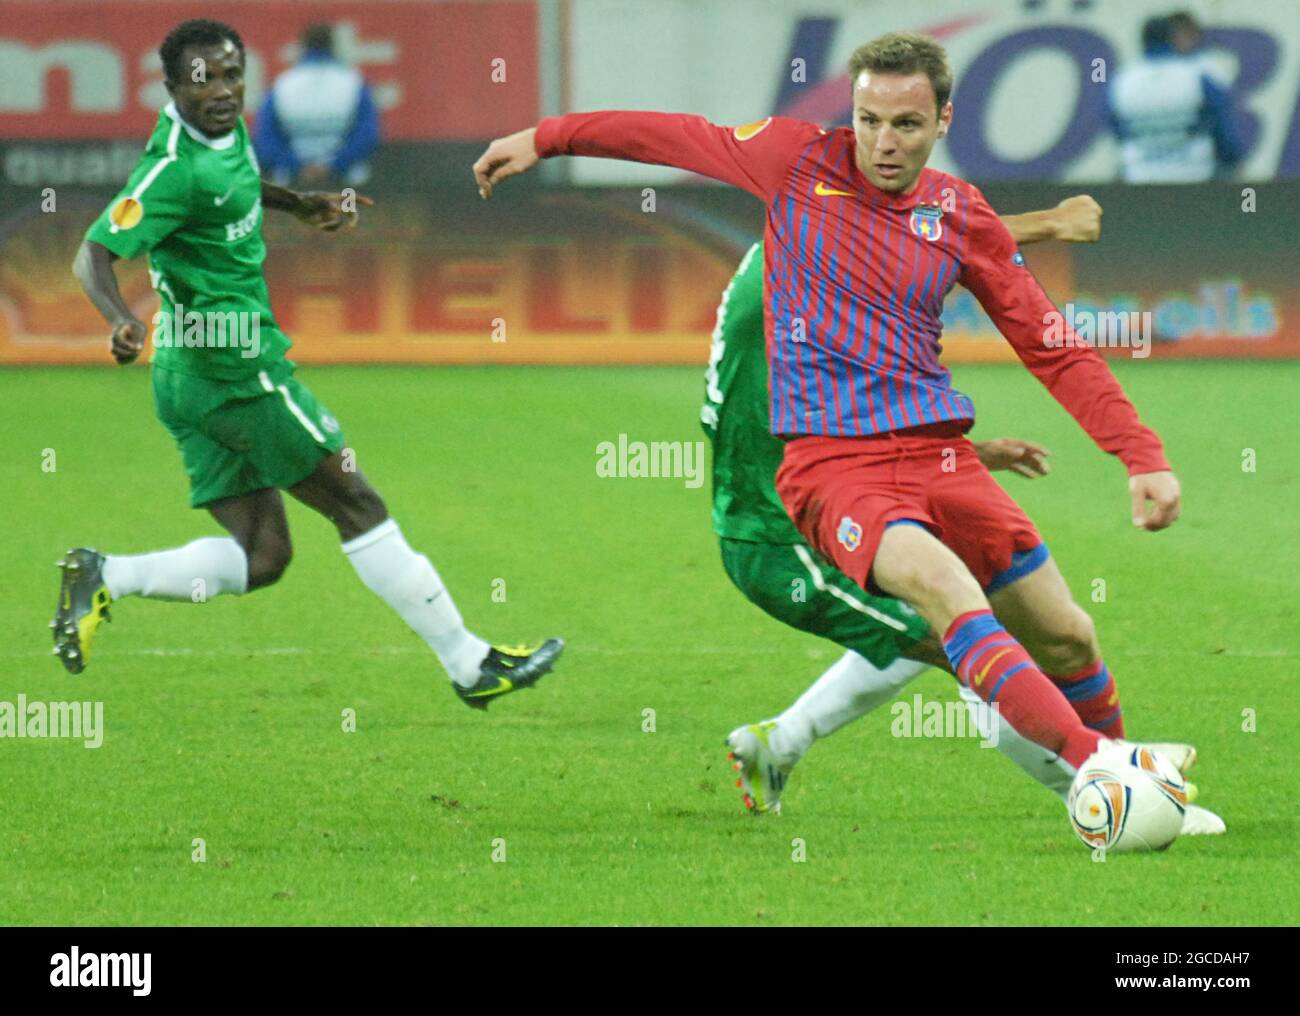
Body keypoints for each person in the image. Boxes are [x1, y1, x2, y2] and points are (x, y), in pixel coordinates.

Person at [472, 32, 1197, 789]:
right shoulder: (794, 163)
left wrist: (1140, 453)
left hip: (936, 456)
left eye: (907, 125)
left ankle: (1131, 787)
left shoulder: (960, 213)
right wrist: (543, 137)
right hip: (835, 468)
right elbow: (672, 137)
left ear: (943, 121)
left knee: (1068, 636)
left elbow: (1051, 343)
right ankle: (1109, 778)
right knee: (951, 604)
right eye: (868, 121)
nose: (883, 143)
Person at [55, 19, 561, 710]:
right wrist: (118, 319)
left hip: (187, 378)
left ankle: (103, 573)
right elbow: (93, 255)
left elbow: (232, 185)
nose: (224, 91)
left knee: (263, 556)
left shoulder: (222, 131)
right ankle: (469, 663)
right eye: (206, 81)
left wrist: (297, 205)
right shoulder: (170, 169)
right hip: (237, 371)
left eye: (233, 74)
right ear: (172, 87)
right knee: (356, 500)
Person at [703, 217, 1222, 835]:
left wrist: (958, 455)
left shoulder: (793, 254)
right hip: (781, 539)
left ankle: (781, 742)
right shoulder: (803, 266)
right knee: (978, 652)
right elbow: (920, 239)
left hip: (831, 499)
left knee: (978, 623)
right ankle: (1115, 798)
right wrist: (1049, 223)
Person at [1107, 14, 1243, 182]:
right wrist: (1234, 160)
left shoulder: (1122, 80)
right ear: (1171, 39)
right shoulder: (1197, 75)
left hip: (1140, 175)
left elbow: (1116, 129)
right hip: (1196, 173)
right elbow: (1224, 130)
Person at [253, 22, 380, 188]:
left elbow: (265, 138)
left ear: (302, 47)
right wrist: (334, 164)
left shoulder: (281, 85)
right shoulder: (354, 82)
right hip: (345, 181)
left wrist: (296, 165)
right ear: (333, 46)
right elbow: (368, 135)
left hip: (293, 182)